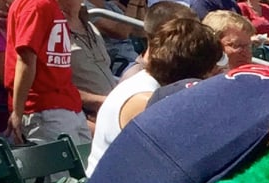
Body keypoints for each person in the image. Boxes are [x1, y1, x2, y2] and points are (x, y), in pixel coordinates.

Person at [86, 17, 222, 173]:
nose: (216, 71)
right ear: (198, 70)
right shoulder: (144, 100)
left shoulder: (148, 85)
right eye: (212, 67)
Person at [6, 0, 89, 145]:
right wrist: (18, 112)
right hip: (43, 111)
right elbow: (25, 59)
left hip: (69, 107)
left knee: (86, 165)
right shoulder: (35, 5)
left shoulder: (51, 5)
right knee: (60, 167)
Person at [68, 0, 118, 129]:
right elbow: (53, 87)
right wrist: (100, 102)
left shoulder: (90, 23)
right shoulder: (52, 29)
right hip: (85, 117)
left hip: (113, 109)